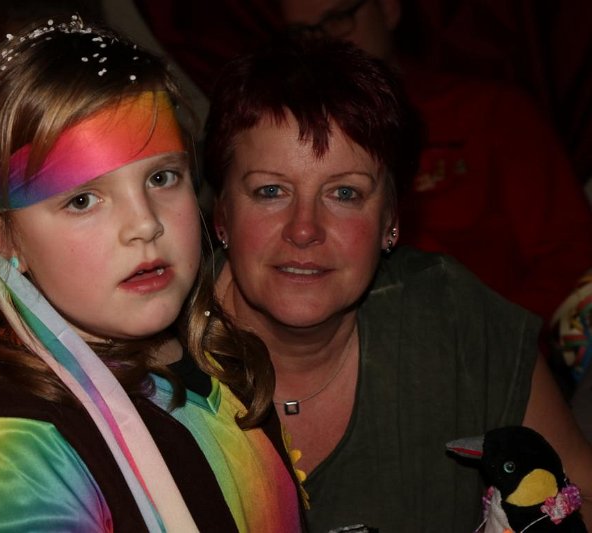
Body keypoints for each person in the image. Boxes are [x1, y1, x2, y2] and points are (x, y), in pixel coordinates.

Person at [0, 17, 302, 532]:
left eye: (162, 177)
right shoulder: (9, 449)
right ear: (3, 239)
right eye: (82, 200)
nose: (145, 223)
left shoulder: (221, 361)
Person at [204, 35, 592, 530]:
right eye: (270, 190)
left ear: (391, 220)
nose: (304, 229)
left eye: (344, 193)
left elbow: (583, 496)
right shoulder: (151, 355)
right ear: (222, 213)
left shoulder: (458, 324)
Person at [279, 0, 592, 359]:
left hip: (492, 353)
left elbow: (571, 255)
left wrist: (489, 337)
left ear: (389, 9)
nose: (324, 42)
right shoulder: (278, 139)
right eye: (304, 33)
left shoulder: (490, 112)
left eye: (339, 19)